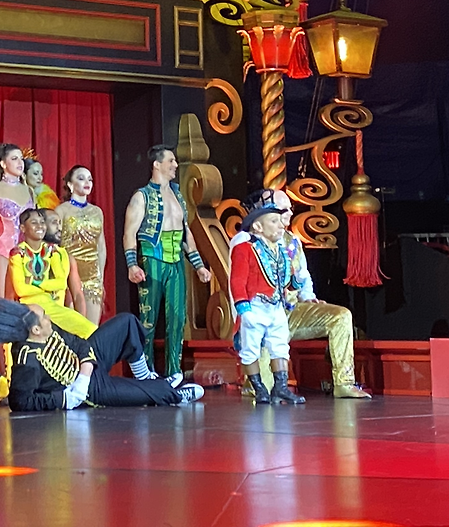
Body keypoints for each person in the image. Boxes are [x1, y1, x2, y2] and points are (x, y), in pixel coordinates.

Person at [236, 192, 370, 399]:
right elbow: (237, 282)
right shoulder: (246, 242)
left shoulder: (291, 242)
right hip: (261, 313)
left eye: (290, 208)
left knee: (341, 316)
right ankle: (255, 384)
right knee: (261, 390)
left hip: (290, 310)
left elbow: (302, 275)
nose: (289, 213)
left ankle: (344, 383)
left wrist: (308, 296)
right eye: (283, 209)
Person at [0, 296, 205, 411]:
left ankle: (146, 376)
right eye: (44, 317)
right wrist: (64, 399)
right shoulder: (26, 360)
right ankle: (171, 393)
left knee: (126, 322)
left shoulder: (48, 329)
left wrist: (85, 371)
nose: (49, 318)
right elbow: (20, 401)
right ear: (35, 330)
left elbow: (79, 343)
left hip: (88, 368)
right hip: (90, 391)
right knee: (147, 395)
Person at [121, 144, 212, 377]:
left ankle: (174, 373)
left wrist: (199, 265)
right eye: (171, 161)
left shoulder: (178, 195)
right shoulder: (142, 196)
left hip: (176, 262)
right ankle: (145, 373)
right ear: (157, 164)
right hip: (152, 259)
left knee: (177, 319)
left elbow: (185, 233)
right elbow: (129, 233)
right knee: (148, 320)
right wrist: (132, 264)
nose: (175, 165)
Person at [230, 195, 307, 405]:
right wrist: (243, 309)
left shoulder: (281, 251)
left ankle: (280, 388)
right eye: (273, 221)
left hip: (276, 306)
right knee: (251, 349)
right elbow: (237, 281)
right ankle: (259, 388)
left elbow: (287, 282)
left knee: (280, 346)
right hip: (255, 306)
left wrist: (298, 279)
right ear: (258, 226)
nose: (280, 226)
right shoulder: (244, 249)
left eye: (279, 221)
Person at [9, 209, 96, 338]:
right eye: (34, 223)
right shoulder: (18, 253)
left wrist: (33, 282)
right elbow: (19, 290)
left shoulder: (53, 252)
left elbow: (62, 284)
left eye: (42, 222)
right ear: (23, 228)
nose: (40, 226)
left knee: (90, 330)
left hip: (54, 309)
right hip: (29, 311)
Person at [0, 143, 34, 303]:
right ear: (3, 164)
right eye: (14, 158)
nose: (20, 162)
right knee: (2, 301)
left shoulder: (29, 191)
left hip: (25, 251)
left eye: (21, 159)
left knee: (21, 300)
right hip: (2, 250)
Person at [55, 165, 107, 325]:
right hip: (69, 275)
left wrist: (100, 278)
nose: (87, 182)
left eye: (90, 179)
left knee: (92, 328)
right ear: (70, 184)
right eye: (81, 178)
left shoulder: (97, 211)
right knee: (73, 328)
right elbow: (55, 245)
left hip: (92, 276)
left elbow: (101, 247)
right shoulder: (61, 211)